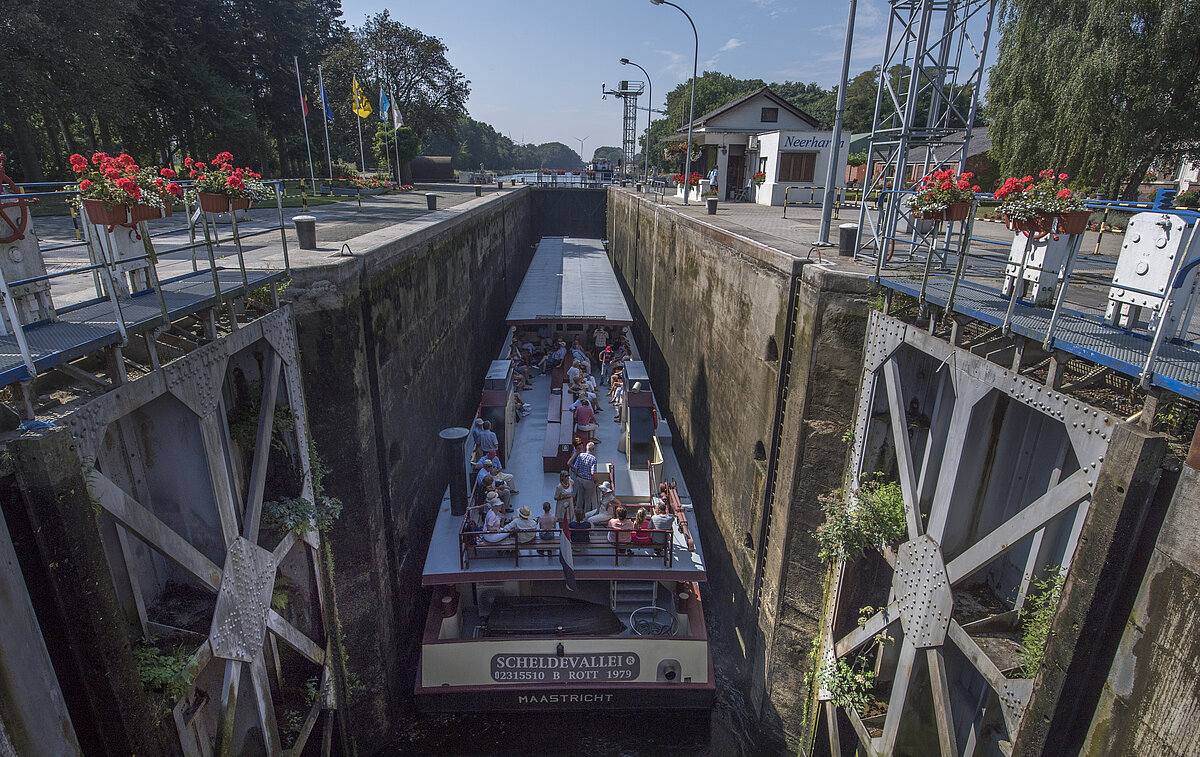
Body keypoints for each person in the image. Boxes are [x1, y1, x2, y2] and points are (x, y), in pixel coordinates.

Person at [571, 441, 598, 513]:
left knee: (580, 497)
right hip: (588, 481)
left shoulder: (580, 455)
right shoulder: (593, 459)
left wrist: (577, 476)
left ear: (586, 448)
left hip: (580, 479)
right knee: (587, 499)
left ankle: (577, 513)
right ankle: (586, 515)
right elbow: (593, 472)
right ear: (593, 449)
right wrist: (596, 479)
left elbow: (576, 467)